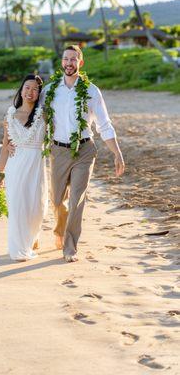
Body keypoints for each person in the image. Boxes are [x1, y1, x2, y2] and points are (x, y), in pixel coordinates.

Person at [39, 45, 125, 262]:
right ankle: (59, 229)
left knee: (77, 199)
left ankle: (70, 247)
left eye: (73, 59)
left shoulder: (91, 91)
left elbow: (104, 124)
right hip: (58, 150)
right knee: (57, 199)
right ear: (61, 62)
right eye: (66, 59)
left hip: (84, 150)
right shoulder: (49, 91)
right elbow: (36, 120)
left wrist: (117, 153)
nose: (69, 63)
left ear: (80, 63)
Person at [0, 74, 48, 262]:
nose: (30, 92)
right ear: (21, 90)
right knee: (17, 207)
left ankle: (32, 239)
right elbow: (5, 147)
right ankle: (18, 249)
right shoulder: (10, 115)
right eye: (27, 87)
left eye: (34, 89)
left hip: (36, 166)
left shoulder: (44, 115)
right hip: (15, 167)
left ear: (39, 93)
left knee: (36, 209)